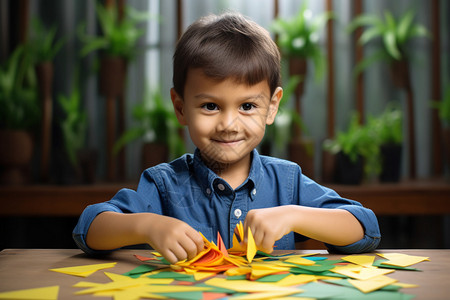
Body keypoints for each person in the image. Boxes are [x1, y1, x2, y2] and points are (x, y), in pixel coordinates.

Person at [73, 12, 380, 264]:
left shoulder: (287, 181)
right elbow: (90, 228)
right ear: (180, 108)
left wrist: (294, 216)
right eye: (210, 106)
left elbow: (365, 226)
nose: (228, 124)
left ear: (272, 107)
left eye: (247, 106)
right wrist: (148, 225)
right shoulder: (164, 184)